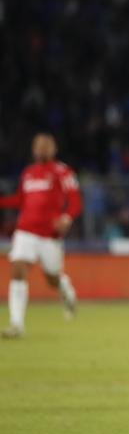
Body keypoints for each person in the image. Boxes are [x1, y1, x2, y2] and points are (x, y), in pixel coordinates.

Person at [0, 133, 81, 338]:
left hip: (49, 235)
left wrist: (67, 218)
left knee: (52, 278)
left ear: (54, 149)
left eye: (47, 145)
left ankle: (64, 287)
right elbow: (20, 200)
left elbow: (75, 199)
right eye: (39, 146)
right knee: (18, 269)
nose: (42, 149)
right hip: (25, 231)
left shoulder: (62, 171)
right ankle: (16, 324)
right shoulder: (28, 173)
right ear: (34, 149)